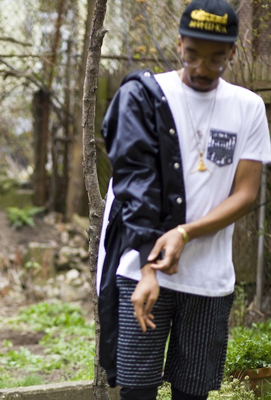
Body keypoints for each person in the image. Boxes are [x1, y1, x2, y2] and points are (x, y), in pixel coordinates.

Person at [97, 1, 271, 399]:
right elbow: (133, 187)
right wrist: (148, 269)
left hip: (208, 279)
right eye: (192, 54)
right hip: (140, 271)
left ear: (232, 51)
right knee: (136, 391)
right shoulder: (144, 96)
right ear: (179, 44)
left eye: (215, 58)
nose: (201, 68)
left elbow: (245, 194)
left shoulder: (248, 107)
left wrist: (185, 233)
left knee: (193, 394)